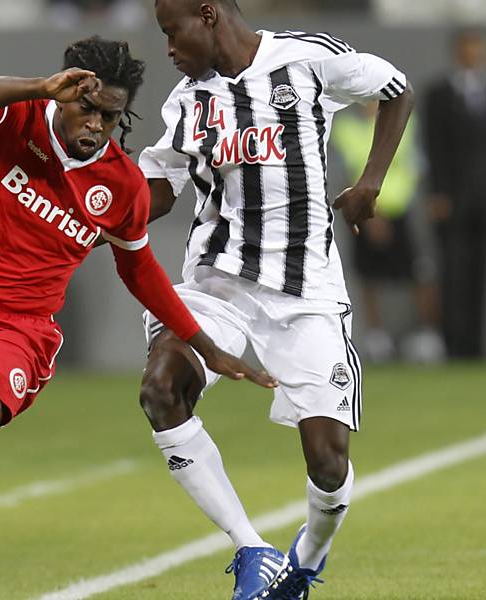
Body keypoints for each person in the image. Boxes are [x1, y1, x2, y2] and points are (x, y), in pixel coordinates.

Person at [0, 36, 275, 600]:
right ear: (65, 92)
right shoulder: (18, 121)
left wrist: (205, 345)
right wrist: (40, 88)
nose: (96, 124)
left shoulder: (121, 185)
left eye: (110, 115)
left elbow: (140, 270)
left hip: (17, 331)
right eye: (86, 107)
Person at [138, 2, 413, 598]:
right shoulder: (188, 100)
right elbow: (160, 189)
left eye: (171, 31)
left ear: (207, 15)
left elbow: (397, 89)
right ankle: (252, 548)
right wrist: (98, 191)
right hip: (218, 286)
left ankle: (307, 557)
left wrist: (370, 182)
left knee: (328, 463)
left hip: (306, 293)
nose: (168, 48)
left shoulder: (307, 59)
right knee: (161, 386)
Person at [422, 28, 486, 359]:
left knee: (483, 271)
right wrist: (436, 191)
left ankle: (478, 346)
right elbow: (431, 146)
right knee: (452, 271)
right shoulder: (438, 94)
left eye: (477, 47)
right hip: (451, 199)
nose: (472, 53)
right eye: (467, 47)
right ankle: (454, 345)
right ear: (456, 51)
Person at [331, 101, 443, 363]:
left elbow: (417, 165)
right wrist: (371, 216)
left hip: (403, 209)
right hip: (367, 212)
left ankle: (429, 335)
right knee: (369, 275)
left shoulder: (405, 122)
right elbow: (345, 173)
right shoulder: (346, 130)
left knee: (420, 272)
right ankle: (377, 338)